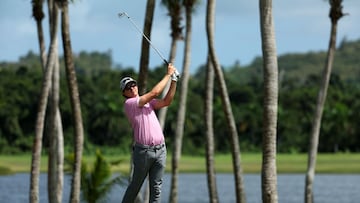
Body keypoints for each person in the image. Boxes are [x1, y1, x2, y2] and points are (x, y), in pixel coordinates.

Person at [120, 63, 179, 203]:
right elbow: (155, 92)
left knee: (156, 188)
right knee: (135, 186)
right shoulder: (130, 104)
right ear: (124, 93)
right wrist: (168, 74)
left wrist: (174, 81)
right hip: (143, 152)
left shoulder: (149, 103)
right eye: (128, 88)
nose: (132, 88)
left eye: (133, 84)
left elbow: (166, 101)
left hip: (161, 150)